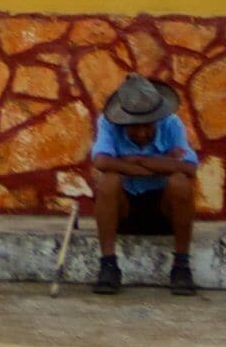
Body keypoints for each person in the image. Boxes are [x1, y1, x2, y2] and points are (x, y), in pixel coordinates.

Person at [81, 73, 200, 295]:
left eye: (148, 126)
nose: (142, 133)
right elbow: (101, 161)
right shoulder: (107, 123)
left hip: (163, 209)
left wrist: (138, 160)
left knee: (180, 183)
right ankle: (108, 265)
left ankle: (181, 266)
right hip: (124, 209)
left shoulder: (172, 124)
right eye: (134, 127)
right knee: (108, 180)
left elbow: (189, 168)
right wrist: (162, 164)